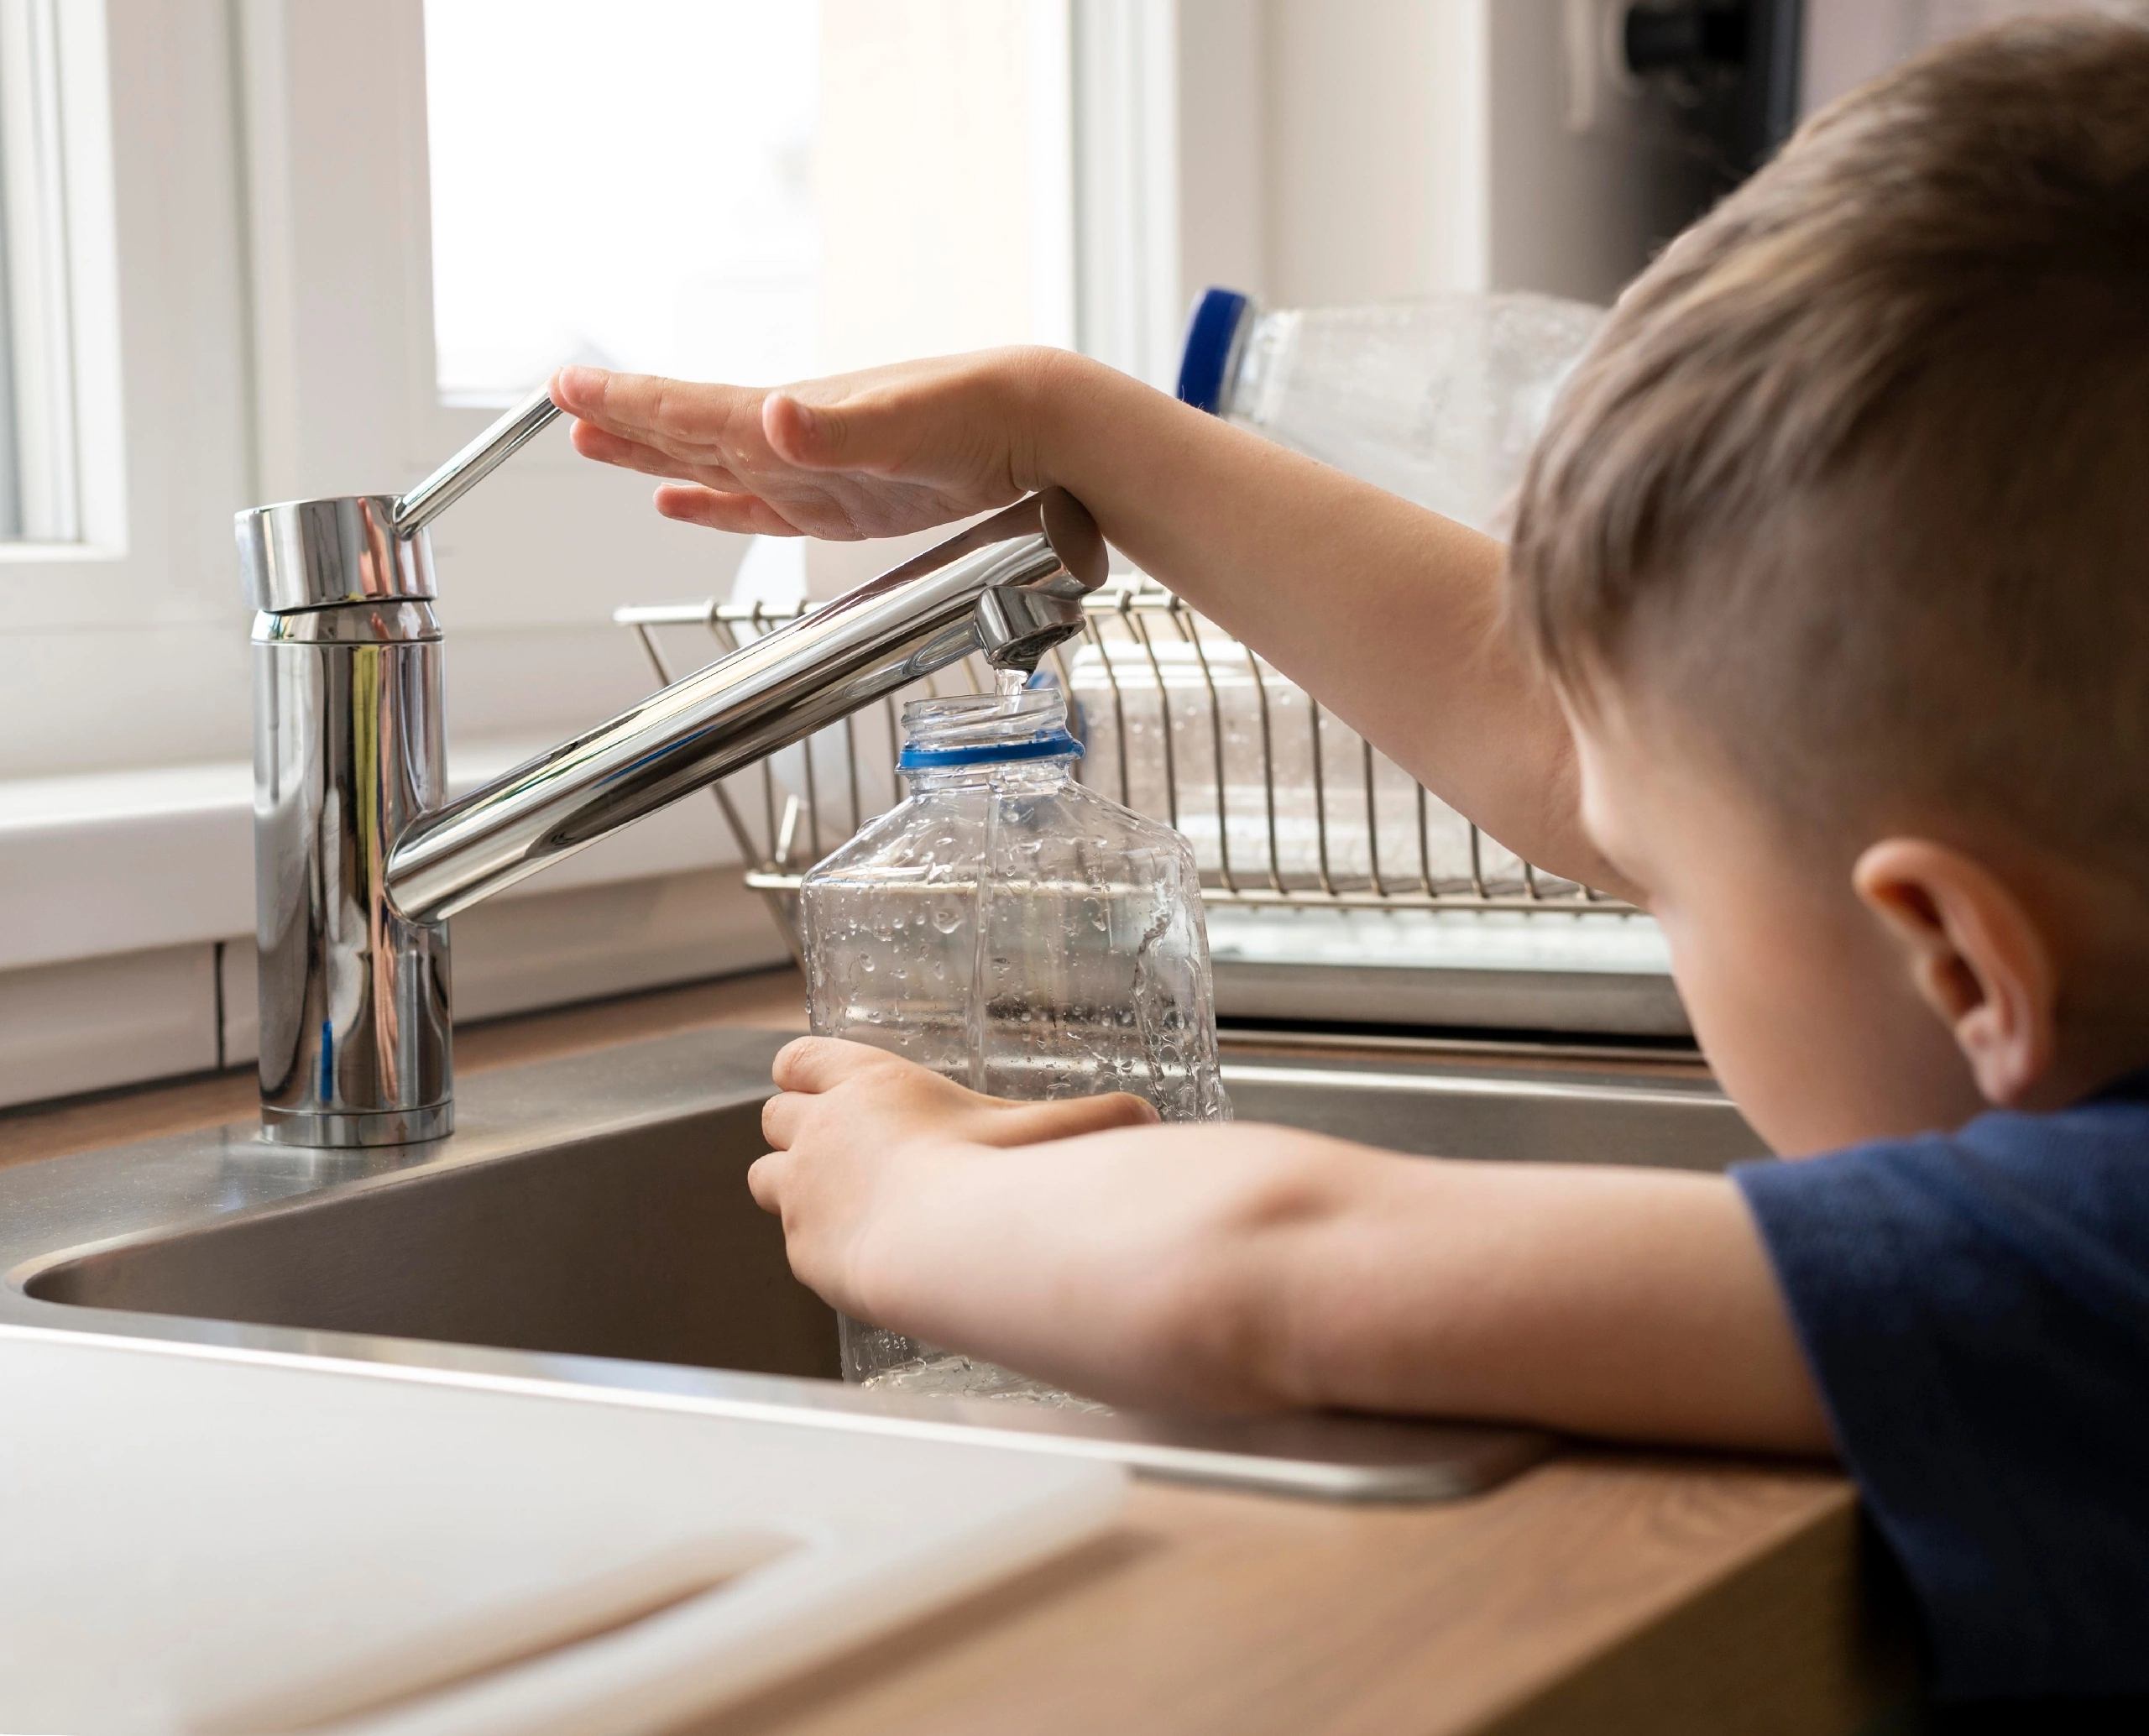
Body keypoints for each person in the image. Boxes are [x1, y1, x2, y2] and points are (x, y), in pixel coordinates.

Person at [550, 16, 2149, 1708]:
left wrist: (909, 1196)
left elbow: (1271, 1271)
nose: (1599, 838)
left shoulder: (2078, 1259)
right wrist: (1063, 429)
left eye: (1640, 873)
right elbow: (1567, 730)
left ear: (1959, 964)